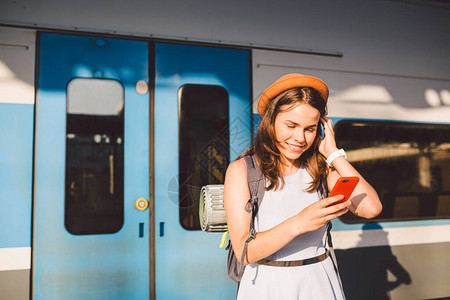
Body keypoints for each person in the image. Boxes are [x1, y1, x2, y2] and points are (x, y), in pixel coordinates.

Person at [224, 73, 382, 299]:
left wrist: (334, 154)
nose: (300, 137)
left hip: (319, 282)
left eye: (310, 128)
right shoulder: (243, 170)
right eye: (291, 125)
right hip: (267, 285)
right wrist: (299, 223)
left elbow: (371, 208)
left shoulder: (321, 168)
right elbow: (243, 251)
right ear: (270, 122)